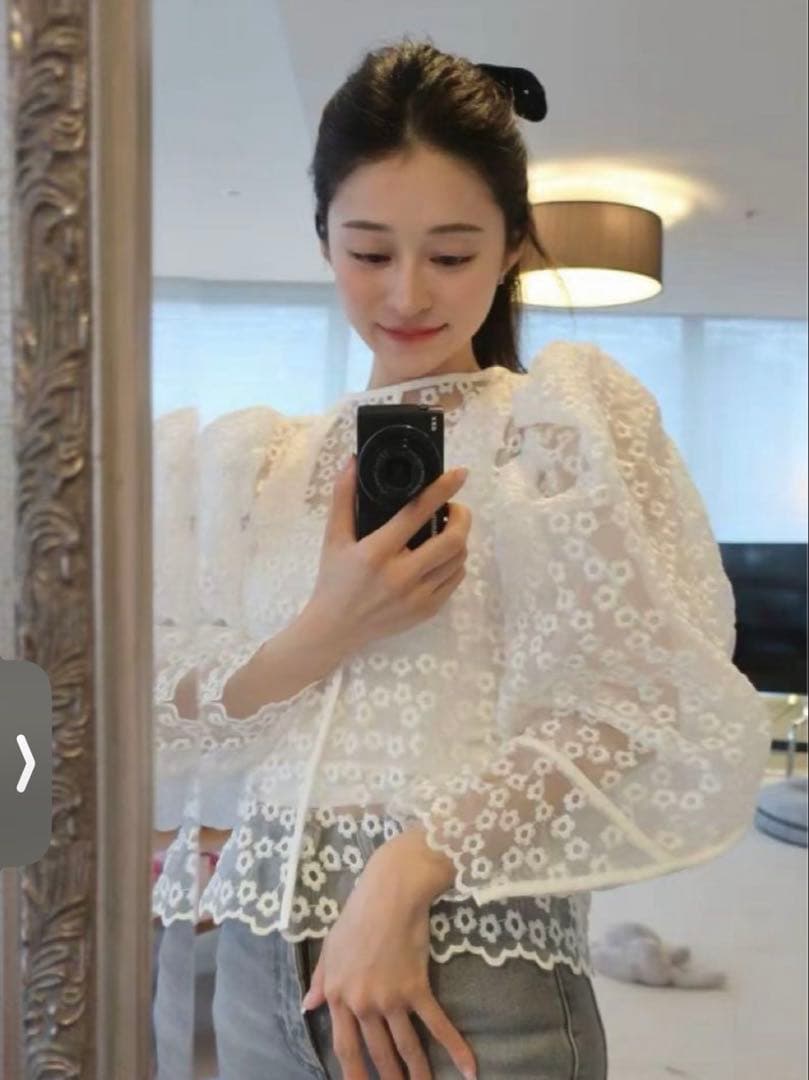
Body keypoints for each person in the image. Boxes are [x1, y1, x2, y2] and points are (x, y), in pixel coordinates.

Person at [151, 36, 773, 1080]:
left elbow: (630, 697)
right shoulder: (259, 466)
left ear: (512, 246)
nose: (406, 294)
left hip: (471, 972)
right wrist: (324, 631)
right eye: (368, 252)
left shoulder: (557, 434)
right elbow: (165, 710)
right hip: (258, 969)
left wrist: (404, 873)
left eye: (449, 255)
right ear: (322, 237)